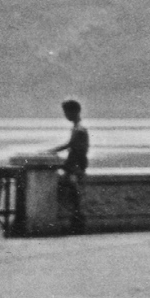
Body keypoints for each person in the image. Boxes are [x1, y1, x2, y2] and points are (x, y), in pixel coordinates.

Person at [47, 98, 90, 233]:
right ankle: (76, 222)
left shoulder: (80, 129)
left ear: (74, 112)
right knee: (73, 193)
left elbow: (75, 148)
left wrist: (70, 166)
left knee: (74, 193)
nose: (65, 115)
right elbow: (71, 146)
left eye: (66, 112)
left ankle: (77, 223)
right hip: (75, 165)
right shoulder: (78, 128)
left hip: (75, 166)